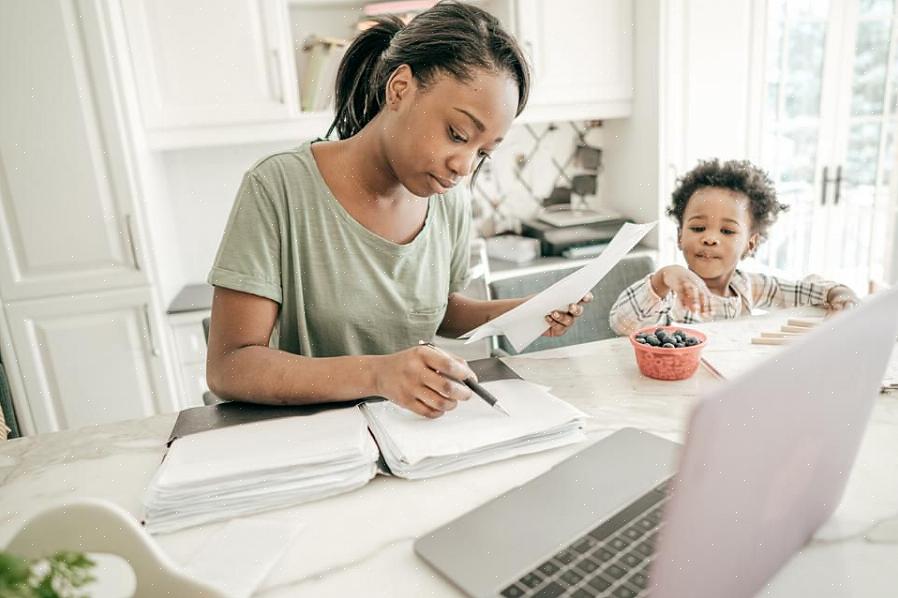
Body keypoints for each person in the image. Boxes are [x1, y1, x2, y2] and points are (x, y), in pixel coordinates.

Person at [206, 1, 593, 419]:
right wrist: (378, 374)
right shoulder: (278, 187)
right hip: (315, 440)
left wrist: (525, 310)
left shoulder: (450, 201)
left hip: (412, 432)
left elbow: (434, 309)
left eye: (482, 153)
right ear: (400, 89)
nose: (463, 168)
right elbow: (230, 366)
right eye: (457, 134)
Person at [609, 159, 859, 335]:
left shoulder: (748, 285)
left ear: (750, 244)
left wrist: (838, 294)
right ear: (679, 236)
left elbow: (800, 291)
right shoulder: (674, 292)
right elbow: (622, 324)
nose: (710, 238)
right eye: (697, 228)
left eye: (727, 231)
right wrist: (663, 278)